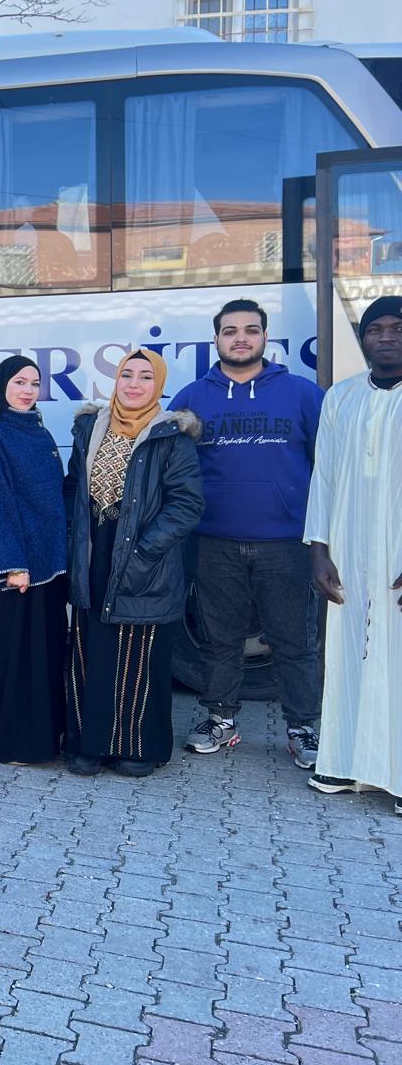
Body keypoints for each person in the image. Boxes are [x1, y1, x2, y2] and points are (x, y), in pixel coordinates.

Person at [169, 299, 324, 766]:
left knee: (294, 642)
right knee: (220, 640)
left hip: (286, 543)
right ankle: (221, 719)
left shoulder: (302, 394)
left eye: (251, 330)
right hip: (213, 542)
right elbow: (169, 470)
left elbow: (328, 468)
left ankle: (302, 728)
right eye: (230, 331)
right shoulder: (192, 398)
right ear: (216, 339)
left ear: (265, 337)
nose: (241, 338)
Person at [63, 348, 204, 778]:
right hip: (95, 554)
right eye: (127, 375)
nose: (135, 384)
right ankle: (89, 745)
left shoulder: (171, 437)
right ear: (116, 380)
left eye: (146, 377)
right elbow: (73, 486)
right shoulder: (90, 428)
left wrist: (145, 550)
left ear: (158, 385)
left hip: (145, 558)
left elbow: (187, 504)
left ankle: (137, 749)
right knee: (91, 651)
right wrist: (75, 535)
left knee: (138, 657)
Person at [304, 296, 402, 816]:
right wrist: (319, 551)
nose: (386, 337)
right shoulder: (340, 398)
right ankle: (343, 760)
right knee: (348, 653)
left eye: (397, 327)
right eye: (375, 329)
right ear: (362, 339)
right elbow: (324, 477)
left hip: (398, 551)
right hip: (349, 547)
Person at [0, 355, 68, 765]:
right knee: (12, 657)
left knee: (44, 655)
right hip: (12, 571)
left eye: (35, 384)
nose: (28, 390)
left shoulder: (39, 431)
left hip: (46, 567)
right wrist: (12, 564)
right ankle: (10, 741)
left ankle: (45, 737)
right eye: (20, 382)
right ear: (2, 385)